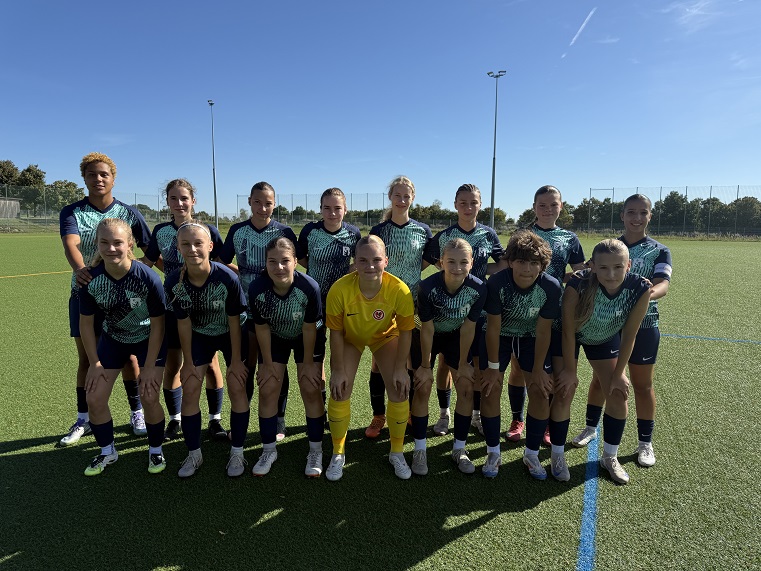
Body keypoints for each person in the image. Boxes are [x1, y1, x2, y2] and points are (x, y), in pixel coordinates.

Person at [58, 152, 152, 447]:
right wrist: (81, 270)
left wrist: (138, 274)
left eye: (103, 174)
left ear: (113, 178)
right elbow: (71, 243)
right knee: (87, 357)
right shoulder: (72, 212)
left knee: (129, 355)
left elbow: (151, 249)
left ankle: (136, 412)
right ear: (83, 178)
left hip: (126, 300)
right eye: (91, 175)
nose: (97, 179)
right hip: (86, 292)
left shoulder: (129, 213)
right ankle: (83, 418)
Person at [572, 194, 672, 468]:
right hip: (609, 324)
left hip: (646, 323)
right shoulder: (611, 247)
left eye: (643, 212)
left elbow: (663, 284)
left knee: (641, 385)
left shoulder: (659, 250)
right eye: (631, 212)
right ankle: (591, 427)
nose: (636, 218)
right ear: (623, 215)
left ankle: (645, 443)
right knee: (602, 381)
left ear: (650, 215)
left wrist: (641, 296)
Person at [555, 239, 651, 484]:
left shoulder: (640, 289)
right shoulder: (578, 284)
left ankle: (610, 457)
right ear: (593, 267)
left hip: (604, 338)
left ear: (628, 265)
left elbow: (630, 334)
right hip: (569, 336)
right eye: (604, 268)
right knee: (565, 390)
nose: (611, 274)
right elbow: (567, 330)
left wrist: (619, 373)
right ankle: (557, 455)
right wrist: (569, 369)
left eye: (618, 267)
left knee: (618, 393)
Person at [79, 219, 167, 475]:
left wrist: (149, 366)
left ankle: (155, 449)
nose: (111, 248)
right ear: (97, 244)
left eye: (118, 242)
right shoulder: (90, 280)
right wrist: (95, 363)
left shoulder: (147, 277)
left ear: (129, 244)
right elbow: (86, 325)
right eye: (104, 242)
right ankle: (108, 451)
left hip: (148, 340)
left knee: (149, 394)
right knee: (94, 397)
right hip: (113, 340)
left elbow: (159, 325)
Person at [144, 179, 228, 441]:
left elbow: (221, 265)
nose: (179, 204)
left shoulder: (208, 231)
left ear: (193, 201)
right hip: (172, 306)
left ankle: (215, 419)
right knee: (174, 365)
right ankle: (175, 419)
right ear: (167, 202)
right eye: (173, 199)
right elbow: (148, 262)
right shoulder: (160, 231)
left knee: (211, 363)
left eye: (184, 198)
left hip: (206, 309)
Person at [325, 235, 415, 481]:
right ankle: (338, 452)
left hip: (385, 337)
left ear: (386, 260)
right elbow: (335, 333)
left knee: (398, 388)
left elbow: (406, 331)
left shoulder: (399, 289)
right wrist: (338, 369)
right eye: (363, 260)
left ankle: (396, 452)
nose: (370, 266)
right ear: (354, 262)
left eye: (376, 259)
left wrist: (400, 369)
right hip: (350, 338)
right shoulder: (340, 289)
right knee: (340, 389)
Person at [164, 221, 248, 478]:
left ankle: (237, 452)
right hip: (200, 335)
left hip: (230, 333)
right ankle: (194, 454)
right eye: (186, 244)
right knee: (189, 387)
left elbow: (235, 321)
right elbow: (184, 323)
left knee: (236, 385)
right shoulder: (173, 283)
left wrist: (235, 361)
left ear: (210, 246)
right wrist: (188, 361)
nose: (193, 249)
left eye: (198, 243)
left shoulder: (227, 278)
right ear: (178, 249)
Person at [505, 185, 586, 444]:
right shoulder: (521, 235)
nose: (548, 209)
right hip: (522, 311)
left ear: (561, 207)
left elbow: (579, 272)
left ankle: (549, 424)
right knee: (519, 368)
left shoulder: (569, 238)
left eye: (553, 204)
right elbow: (512, 268)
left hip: (557, 310)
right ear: (534, 207)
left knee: (550, 370)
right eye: (542, 205)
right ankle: (517, 419)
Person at [424, 183, 505, 436]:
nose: (468, 207)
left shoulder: (488, 234)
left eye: (474, 203)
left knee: (477, 365)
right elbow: (427, 263)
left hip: (476, 308)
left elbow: (501, 265)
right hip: (446, 310)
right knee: (445, 365)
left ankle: (476, 415)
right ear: (455, 204)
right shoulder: (444, 236)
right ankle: (444, 413)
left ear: (480, 205)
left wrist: (477, 273)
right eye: (463, 202)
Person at [480, 230, 562, 479]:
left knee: (539, 389)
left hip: (531, 337)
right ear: (511, 261)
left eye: (534, 263)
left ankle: (532, 453)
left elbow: (544, 330)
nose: (527, 268)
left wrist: (538, 370)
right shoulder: (497, 283)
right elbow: (493, 326)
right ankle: (493, 451)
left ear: (542, 265)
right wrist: (493, 367)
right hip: (500, 336)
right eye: (521, 261)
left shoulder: (550, 286)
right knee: (489, 387)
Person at [219, 181, 297, 441]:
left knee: (275, 366)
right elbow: (221, 260)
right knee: (246, 366)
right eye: (258, 202)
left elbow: (293, 266)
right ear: (250, 203)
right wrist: (240, 274)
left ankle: (278, 419)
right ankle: (242, 420)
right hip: (245, 310)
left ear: (274, 204)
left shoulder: (284, 231)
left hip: (277, 310)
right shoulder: (238, 230)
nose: (263, 208)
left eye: (268, 203)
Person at [248, 238, 324, 477]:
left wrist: (310, 364)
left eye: (285, 261)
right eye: (273, 262)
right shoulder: (257, 289)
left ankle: (315, 450)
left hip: (306, 337)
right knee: (269, 387)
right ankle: (269, 449)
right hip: (276, 337)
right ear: (266, 263)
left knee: (310, 387)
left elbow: (310, 328)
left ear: (295, 262)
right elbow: (260, 328)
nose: (279, 267)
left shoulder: (309, 288)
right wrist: (268, 364)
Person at [364, 176, 431, 438]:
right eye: (397, 195)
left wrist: (410, 277)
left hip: (412, 304)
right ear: (390, 197)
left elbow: (425, 262)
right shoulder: (379, 231)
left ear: (412, 199)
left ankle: (411, 414)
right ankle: (378, 416)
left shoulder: (423, 230)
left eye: (407, 196)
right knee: (379, 363)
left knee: (412, 359)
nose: (402, 200)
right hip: (383, 302)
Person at [413, 238, 486, 476]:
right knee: (422, 385)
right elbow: (427, 328)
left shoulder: (478, 288)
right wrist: (425, 366)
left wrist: (464, 363)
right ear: (441, 262)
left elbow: (468, 327)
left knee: (465, 385)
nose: (457, 267)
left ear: (472, 263)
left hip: (456, 334)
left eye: (463, 262)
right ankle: (420, 449)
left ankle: (459, 449)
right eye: (451, 261)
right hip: (426, 334)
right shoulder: (427, 287)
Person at [297, 187, 361, 415]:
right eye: (327, 208)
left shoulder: (353, 234)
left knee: (339, 355)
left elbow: (360, 260)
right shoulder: (310, 231)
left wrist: (347, 271)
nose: (332, 213)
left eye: (337, 208)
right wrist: (317, 271)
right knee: (317, 357)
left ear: (345, 209)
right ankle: (320, 407)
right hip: (315, 303)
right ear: (321, 209)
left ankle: (336, 406)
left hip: (343, 304)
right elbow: (300, 257)